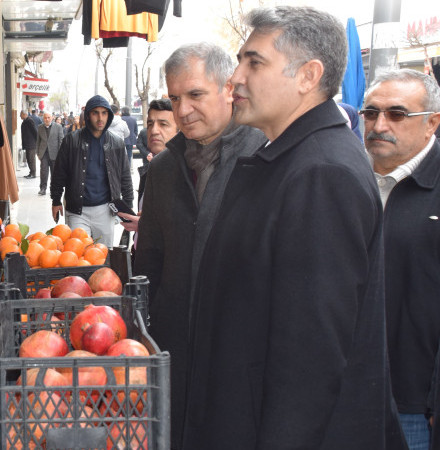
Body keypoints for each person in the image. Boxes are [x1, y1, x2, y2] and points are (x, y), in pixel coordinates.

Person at [183, 7, 406, 449]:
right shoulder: (291, 158)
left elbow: (310, 361)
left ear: (308, 76)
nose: (236, 78)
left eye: (254, 62)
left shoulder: (322, 172)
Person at [128, 44, 267, 447]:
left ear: (229, 88)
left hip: (238, 358)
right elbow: (149, 258)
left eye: (195, 95)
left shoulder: (262, 158)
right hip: (174, 354)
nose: (182, 109)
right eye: (174, 98)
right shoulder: (165, 168)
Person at [361, 69, 440, 449]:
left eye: (396, 114)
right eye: (371, 113)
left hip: (414, 402)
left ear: (432, 123)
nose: (379, 125)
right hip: (345, 390)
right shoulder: (344, 177)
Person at [50, 95, 133, 246]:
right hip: (77, 210)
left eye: (104, 113)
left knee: (103, 257)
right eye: (95, 113)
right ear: (88, 115)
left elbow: (125, 176)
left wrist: (128, 205)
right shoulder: (71, 140)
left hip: (105, 210)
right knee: (79, 255)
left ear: (109, 115)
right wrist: (56, 200)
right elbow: (59, 173)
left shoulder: (117, 143)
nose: (100, 118)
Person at [117, 97, 178, 232]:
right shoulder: (151, 170)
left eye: (163, 124)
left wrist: (147, 227)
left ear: (179, 130)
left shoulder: (186, 174)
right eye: (150, 124)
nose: (154, 130)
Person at [36, 111, 64, 196]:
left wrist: (60, 154)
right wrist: (38, 153)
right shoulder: (40, 127)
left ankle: (53, 189)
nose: (47, 119)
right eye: (45, 117)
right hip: (44, 153)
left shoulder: (58, 127)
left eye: (48, 117)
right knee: (43, 172)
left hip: (55, 153)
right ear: (43, 118)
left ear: (52, 118)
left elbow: (61, 140)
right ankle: (43, 188)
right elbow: (38, 141)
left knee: (54, 173)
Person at [20, 110, 38, 179]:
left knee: (31, 159)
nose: (20, 116)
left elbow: (35, 131)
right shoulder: (25, 121)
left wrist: (36, 142)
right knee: (28, 158)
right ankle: (31, 172)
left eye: (21, 114)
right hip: (28, 144)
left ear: (24, 114)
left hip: (31, 144)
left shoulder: (29, 121)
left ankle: (33, 173)